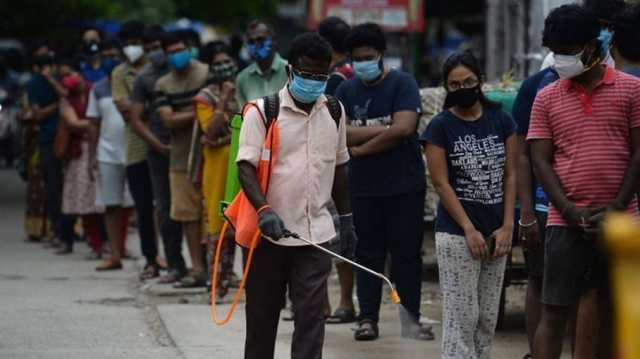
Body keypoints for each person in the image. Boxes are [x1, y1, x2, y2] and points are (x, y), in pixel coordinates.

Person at [528, 5, 640, 359]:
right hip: (564, 221)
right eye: (556, 52)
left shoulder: (632, 90)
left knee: (616, 310)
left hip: (623, 221)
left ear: (593, 47)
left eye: (567, 52)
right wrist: (568, 209)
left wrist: (616, 207)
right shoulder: (546, 97)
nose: (560, 59)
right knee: (555, 309)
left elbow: (639, 153)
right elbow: (540, 160)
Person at [237, 31, 355, 359]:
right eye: (307, 74)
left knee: (311, 320)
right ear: (291, 70)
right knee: (261, 321)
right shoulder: (262, 112)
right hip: (267, 237)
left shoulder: (334, 110)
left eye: (322, 75)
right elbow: (245, 167)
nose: (315, 81)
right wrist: (263, 210)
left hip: (314, 237)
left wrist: (346, 219)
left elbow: (341, 167)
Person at [334, 23, 430, 341]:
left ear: (382, 56)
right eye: (358, 58)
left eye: (369, 56)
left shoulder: (403, 84)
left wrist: (360, 148)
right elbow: (340, 133)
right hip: (363, 188)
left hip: (405, 186)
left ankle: (411, 321)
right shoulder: (346, 90)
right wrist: (386, 129)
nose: (364, 63)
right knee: (368, 255)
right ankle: (368, 319)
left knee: (406, 256)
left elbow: (405, 128)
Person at [421, 50, 516, 359]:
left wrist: (507, 226)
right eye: (455, 84)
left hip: (496, 232)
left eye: (469, 81)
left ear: (481, 81)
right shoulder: (439, 126)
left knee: (487, 318)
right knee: (463, 318)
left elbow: (511, 174)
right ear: (447, 89)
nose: (463, 88)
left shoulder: (502, 119)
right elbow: (440, 183)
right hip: (457, 233)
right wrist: (468, 229)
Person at [513, 14, 561, 359]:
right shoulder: (536, 88)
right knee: (538, 282)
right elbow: (523, 155)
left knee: (581, 293)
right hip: (545, 209)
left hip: (592, 207)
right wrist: (526, 212)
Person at [130, 26, 188, 284]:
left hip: (189, 149)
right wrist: (157, 145)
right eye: (150, 48)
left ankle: (204, 266)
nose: (155, 53)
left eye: (158, 47)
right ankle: (175, 264)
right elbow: (136, 118)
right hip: (159, 151)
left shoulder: (188, 71)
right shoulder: (145, 78)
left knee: (193, 208)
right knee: (165, 208)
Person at [154, 32, 211, 288]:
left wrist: (185, 113)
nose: (177, 55)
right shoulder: (163, 84)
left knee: (211, 213)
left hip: (210, 153)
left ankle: (216, 268)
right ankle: (197, 269)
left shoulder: (206, 73)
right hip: (179, 158)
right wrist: (200, 109)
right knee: (187, 215)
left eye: (180, 49)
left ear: (189, 49)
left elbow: (215, 109)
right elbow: (168, 120)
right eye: (171, 51)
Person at [111, 21, 161, 278]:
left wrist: (140, 107)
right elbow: (126, 110)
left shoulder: (161, 70)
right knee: (143, 207)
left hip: (165, 148)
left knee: (165, 206)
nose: (132, 48)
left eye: (136, 43)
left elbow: (135, 108)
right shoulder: (120, 74)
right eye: (127, 44)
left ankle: (166, 257)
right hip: (137, 148)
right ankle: (150, 259)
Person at [317, 15, 357, 324]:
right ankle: (341, 302)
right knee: (342, 234)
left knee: (328, 236)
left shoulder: (333, 79)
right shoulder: (353, 74)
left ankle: (333, 303)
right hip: (344, 163)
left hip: (329, 165)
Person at [193, 41, 239, 301]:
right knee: (215, 224)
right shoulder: (205, 98)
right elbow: (209, 131)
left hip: (240, 167)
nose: (223, 67)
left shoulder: (243, 91)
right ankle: (214, 285)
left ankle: (227, 280)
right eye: (217, 64)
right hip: (216, 169)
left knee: (236, 224)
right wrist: (222, 100)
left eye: (227, 62)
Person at [57, 60, 106, 256]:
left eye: (72, 74)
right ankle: (76, 241)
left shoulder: (94, 92)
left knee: (101, 203)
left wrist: (93, 125)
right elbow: (73, 123)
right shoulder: (66, 100)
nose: (70, 79)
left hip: (100, 150)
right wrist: (95, 124)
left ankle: (103, 242)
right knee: (82, 202)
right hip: (79, 154)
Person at [25, 47, 67, 249]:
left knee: (69, 185)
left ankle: (69, 231)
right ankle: (57, 231)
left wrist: (53, 82)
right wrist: (56, 106)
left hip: (69, 137)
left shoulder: (62, 80)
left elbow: (66, 95)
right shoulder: (33, 84)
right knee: (52, 186)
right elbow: (38, 115)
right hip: (48, 139)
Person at [235, 20, 288, 106]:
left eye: (260, 39)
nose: (256, 44)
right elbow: (243, 115)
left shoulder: (290, 71)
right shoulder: (242, 79)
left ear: (274, 41)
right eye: (251, 42)